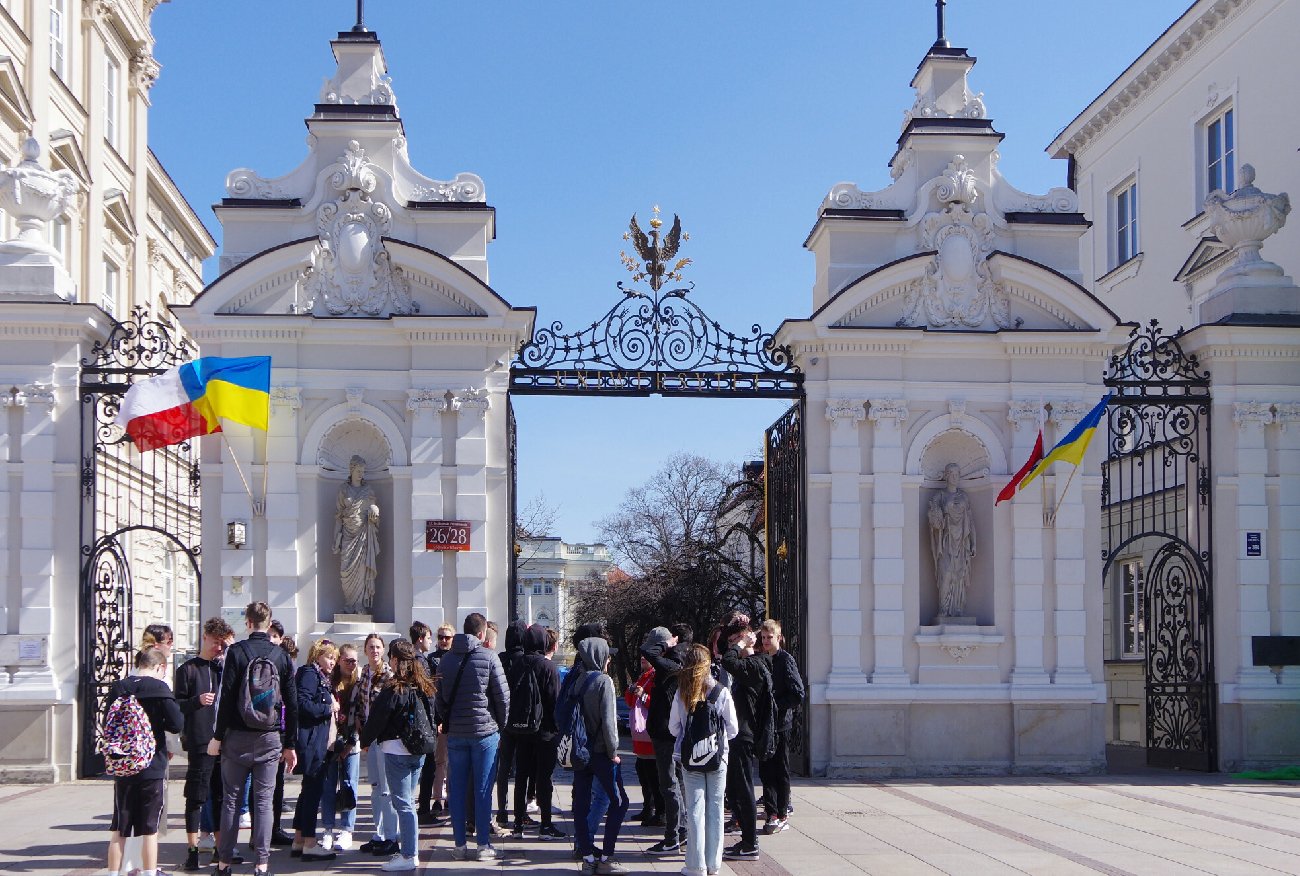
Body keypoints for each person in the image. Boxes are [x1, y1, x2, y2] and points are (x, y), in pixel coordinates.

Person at [210, 601, 299, 876]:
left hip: (236, 737)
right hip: (269, 738)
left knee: (231, 801)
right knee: (263, 802)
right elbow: (292, 704)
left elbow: (226, 699)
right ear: (268, 623)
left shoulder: (236, 652)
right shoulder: (281, 656)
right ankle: (261, 865)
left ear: (248, 623)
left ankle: (224, 864)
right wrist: (290, 743)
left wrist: (217, 737)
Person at [435, 611, 509, 862]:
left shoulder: (445, 660)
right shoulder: (489, 657)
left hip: (456, 733)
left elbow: (439, 698)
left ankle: (459, 846)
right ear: (481, 632)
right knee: (483, 789)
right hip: (485, 733)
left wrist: (448, 720)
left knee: (456, 790)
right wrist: (500, 724)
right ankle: (483, 845)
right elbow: (502, 697)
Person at [103, 647, 183, 876]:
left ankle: (113, 874)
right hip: (151, 764)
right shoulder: (159, 687)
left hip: (123, 764)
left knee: (120, 827)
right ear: (160, 667)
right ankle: (149, 873)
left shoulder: (119, 687)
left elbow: (107, 720)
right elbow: (177, 724)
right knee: (149, 828)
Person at [362, 638, 438, 872]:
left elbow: (377, 718)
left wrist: (365, 741)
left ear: (395, 660)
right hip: (419, 751)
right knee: (408, 803)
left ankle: (409, 854)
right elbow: (434, 715)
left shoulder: (394, 688)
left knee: (403, 804)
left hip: (397, 751)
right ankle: (409, 850)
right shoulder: (423, 685)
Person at [671, 644, 738, 876]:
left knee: (695, 810)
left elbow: (673, 728)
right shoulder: (721, 692)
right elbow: (733, 729)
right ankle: (713, 864)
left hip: (691, 759)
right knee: (716, 809)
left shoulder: (682, 693)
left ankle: (695, 865)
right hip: (718, 758)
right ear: (708, 664)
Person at [175, 617, 235, 872]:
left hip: (223, 742)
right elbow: (177, 706)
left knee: (221, 796)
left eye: (223, 644)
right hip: (200, 742)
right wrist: (196, 701)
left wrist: (229, 653)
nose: (218, 648)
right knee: (196, 797)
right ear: (205, 637)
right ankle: (192, 850)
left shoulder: (225, 669)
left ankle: (221, 850)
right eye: (215, 642)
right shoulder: (188, 669)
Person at [716, 612, 775, 862]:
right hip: (738, 735)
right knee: (737, 790)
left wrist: (741, 643)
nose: (732, 646)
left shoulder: (755, 665)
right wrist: (733, 628)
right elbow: (724, 651)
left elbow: (728, 661)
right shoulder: (751, 664)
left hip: (744, 736)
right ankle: (746, 840)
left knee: (744, 788)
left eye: (735, 642)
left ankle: (750, 844)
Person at [571, 635, 631, 874]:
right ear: (599, 657)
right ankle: (606, 857)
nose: (609, 660)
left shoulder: (577, 680)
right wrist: (613, 751)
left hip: (580, 752)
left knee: (581, 804)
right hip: (601, 753)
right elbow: (609, 722)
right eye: (607, 655)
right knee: (620, 802)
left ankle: (587, 857)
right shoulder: (603, 682)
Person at [509, 623, 565, 839]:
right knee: (544, 779)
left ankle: (518, 824)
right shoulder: (549, 667)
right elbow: (555, 701)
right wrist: (556, 728)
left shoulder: (516, 664)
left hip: (521, 730)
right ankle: (546, 825)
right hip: (545, 731)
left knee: (521, 776)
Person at [640, 625, 689, 854]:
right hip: (668, 732)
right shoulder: (673, 663)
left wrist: (665, 644)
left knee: (669, 785)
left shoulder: (671, 665)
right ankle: (682, 831)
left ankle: (673, 837)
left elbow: (647, 652)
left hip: (666, 734)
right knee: (676, 783)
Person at [291, 639, 340, 861]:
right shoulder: (310, 673)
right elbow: (302, 703)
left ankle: (299, 840)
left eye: (334, 658)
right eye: (329, 657)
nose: (333, 662)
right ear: (317, 655)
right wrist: (328, 707)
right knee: (312, 791)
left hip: (318, 742)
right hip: (313, 743)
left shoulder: (320, 676)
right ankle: (310, 842)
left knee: (308, 790)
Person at [757, 619, 805, 834]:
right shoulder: (761, 659)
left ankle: (783, 813)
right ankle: (771, 812)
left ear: (778, 638)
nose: (766, 641)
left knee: (780, 769)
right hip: (764, 724)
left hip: (781, 724)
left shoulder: (785, 660)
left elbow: (798, 693)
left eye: (770, 637)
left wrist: (776, 705)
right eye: (763, 637)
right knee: (765, 770)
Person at [356, 632, 399, 856]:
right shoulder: (364, 672)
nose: (374, 650)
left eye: (378, 647)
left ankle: (391, 836)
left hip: (383, 738)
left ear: (383, 650)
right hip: (368, 737)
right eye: (371, 647)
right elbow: (361, 704)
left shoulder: (388, 675)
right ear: (365, 650)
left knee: (386, 789)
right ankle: (378, 833)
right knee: (374, 787)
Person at [320, 642, 361, 852]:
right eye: (348, 660)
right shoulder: (329, 682)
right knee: (328, 786)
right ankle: (327, 829)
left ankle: (346, 829)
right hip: (330, 741)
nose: (352, 664)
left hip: (351, 742)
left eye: (355, 661)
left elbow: (360, 715)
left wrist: (351, 743)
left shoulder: (359, 683)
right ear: (339, 661)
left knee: (349, 784)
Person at [334, 453, 380, 614]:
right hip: (347, 535)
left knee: (361, 570)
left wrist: (375, 511)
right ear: (351, 470)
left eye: (363, 471)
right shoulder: (343, 490)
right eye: (358, 470)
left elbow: (374, 512)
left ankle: (359, 604)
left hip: (363, 535)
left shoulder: (368, 491)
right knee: (345, 570)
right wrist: (335, 538)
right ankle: (349, 604)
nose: (361, 474)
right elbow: (338, 517)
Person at [418, 622, 455, 822]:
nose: (443, 640)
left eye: (447, 637)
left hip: (454, 716)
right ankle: (437, 798)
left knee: (452, 761)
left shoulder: (456, 658)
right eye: (440, 637)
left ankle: (450, 796)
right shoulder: (430, 659)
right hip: (437, 716)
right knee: (439, 760)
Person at [495, 620, 528, 827]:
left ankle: (501, 810)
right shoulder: (526, 660)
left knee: (504, 768)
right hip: (523, 721)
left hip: (503, 721)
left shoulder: (500, 659)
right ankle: (519, 813)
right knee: (522, 769)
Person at [624, 656, 662, 826]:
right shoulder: (642, 677)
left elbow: (657, 705)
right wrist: (631, 691)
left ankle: (657, 811)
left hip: (649, 736)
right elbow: (630, 702)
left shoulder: (655, 676)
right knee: (643, 774)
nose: (642, 659)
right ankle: (648, 808)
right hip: (641, 738)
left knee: (652, 776)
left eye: (646, 657)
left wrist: (643, 695)